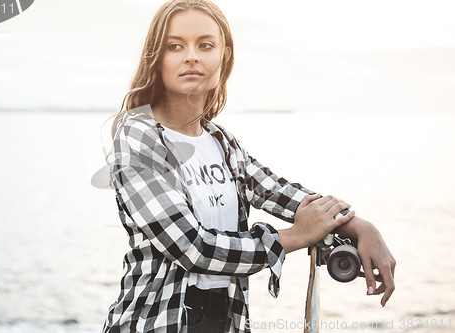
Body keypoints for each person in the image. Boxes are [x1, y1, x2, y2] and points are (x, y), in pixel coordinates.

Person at [102, 1, 396, 332]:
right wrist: (296, 236)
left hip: (226, 321)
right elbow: (192, 247)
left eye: (206, 45)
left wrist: (359, 226)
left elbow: (279, 192)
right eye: (175, 46)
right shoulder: (137, 135)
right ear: (157, 57)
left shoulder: (220, 141)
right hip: (155, 322)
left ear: (224, 57)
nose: (191, 56)